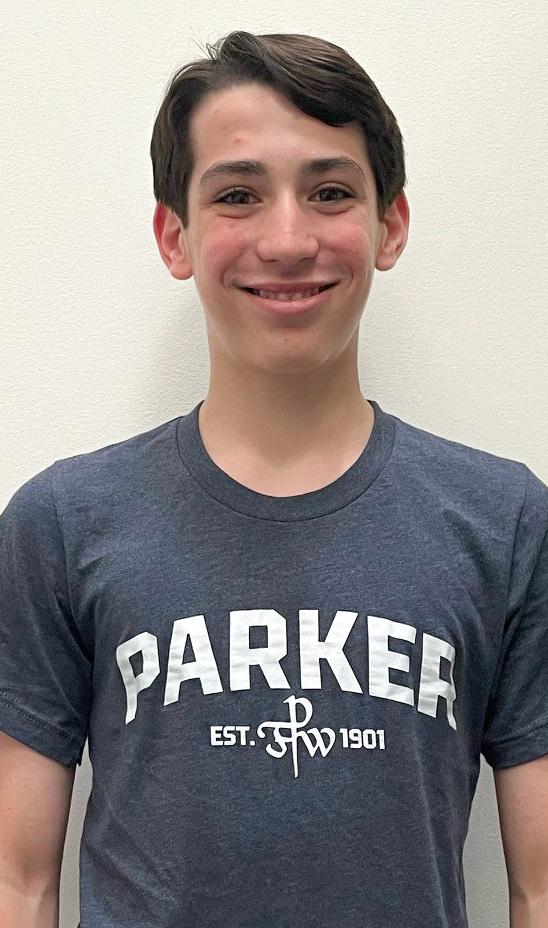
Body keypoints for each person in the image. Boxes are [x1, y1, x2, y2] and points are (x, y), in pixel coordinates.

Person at [0, 29, 546, 928]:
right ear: (175, 235)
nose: (288, 240)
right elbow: (18, 884)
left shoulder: (507, 522)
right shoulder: (62, 524)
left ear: (390, 226)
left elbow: (540, 888)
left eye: (330, 192)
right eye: (238, 196)